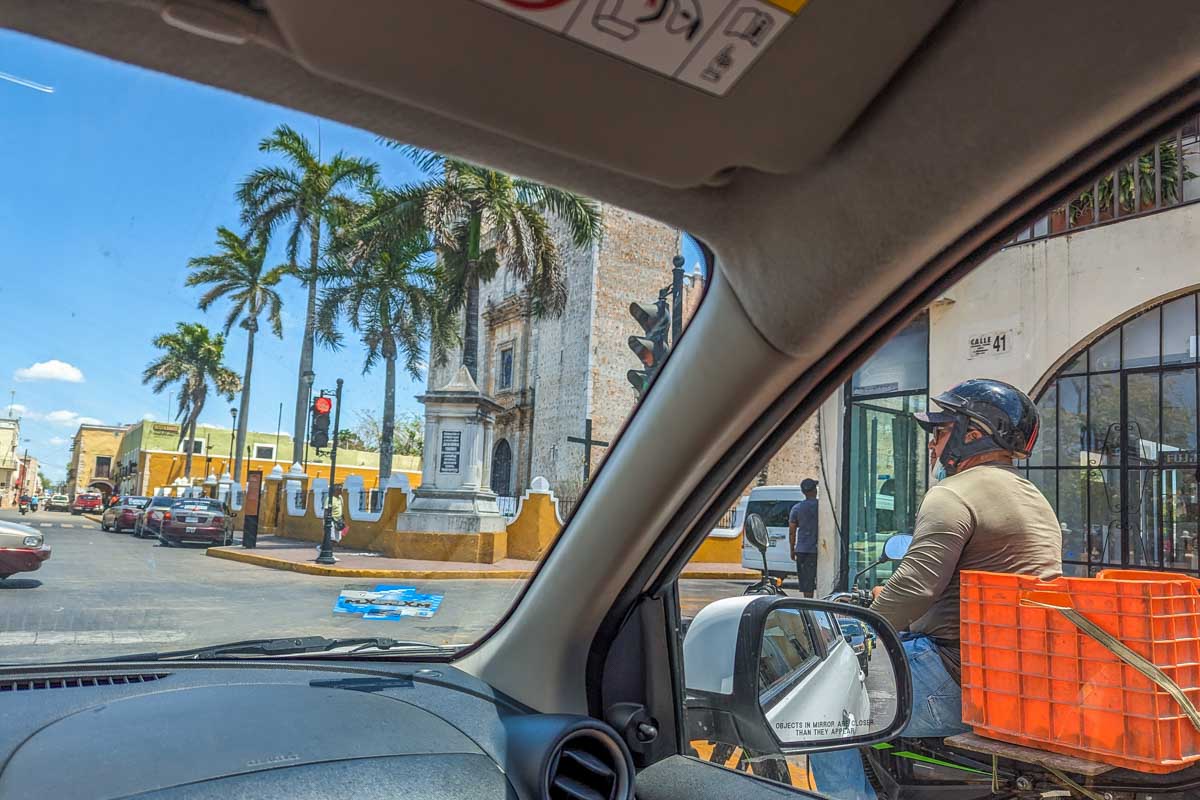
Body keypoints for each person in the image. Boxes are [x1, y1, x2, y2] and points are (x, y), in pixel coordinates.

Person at [811, 379, 1063, 800]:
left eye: (940, 431)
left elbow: (914, 587)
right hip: (1016, 677)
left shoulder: (953, 493)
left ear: (974, 434)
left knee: (818, 709)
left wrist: (862, 621)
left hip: (956, 679)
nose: (932, 445)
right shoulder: (1034, 498)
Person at [787, 478, 819, 598]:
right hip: (817, 550)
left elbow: (792, 531)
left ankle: (808, 604)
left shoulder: (797, 508)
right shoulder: (821, 507)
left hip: (802, 550)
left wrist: (792, 549)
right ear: (814, 490)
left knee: (807, 584)